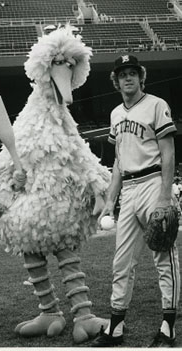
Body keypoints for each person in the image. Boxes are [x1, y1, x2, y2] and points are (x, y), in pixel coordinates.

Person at [91, 55, 181, 347]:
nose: (127, 78)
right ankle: (115, 327)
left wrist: (165, 196)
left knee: (164, 258)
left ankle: (168, 325)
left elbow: (168, 153)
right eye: (122, 74)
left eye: (132, 73)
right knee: (121, 262)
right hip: (128, 190)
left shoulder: (156, 105)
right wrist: (109, 200)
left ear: (141, 77)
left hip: (154, 183)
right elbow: (117, 163)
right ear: (115, 81)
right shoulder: (116, 113)